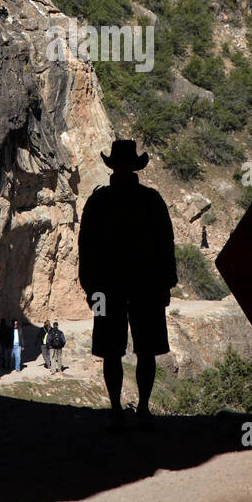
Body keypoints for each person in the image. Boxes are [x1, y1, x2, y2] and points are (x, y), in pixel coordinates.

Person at [78, 139, 177, 431]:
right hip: (146, 284)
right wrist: (166, 283)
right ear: (136, 167)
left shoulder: (98, 201)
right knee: (145, 350)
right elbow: (165, 244)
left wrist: (90, 287)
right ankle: (142, 408)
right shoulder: (151, 200)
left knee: (112, 350)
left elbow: (88, 248)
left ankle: (117, 409)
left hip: (109, 286)